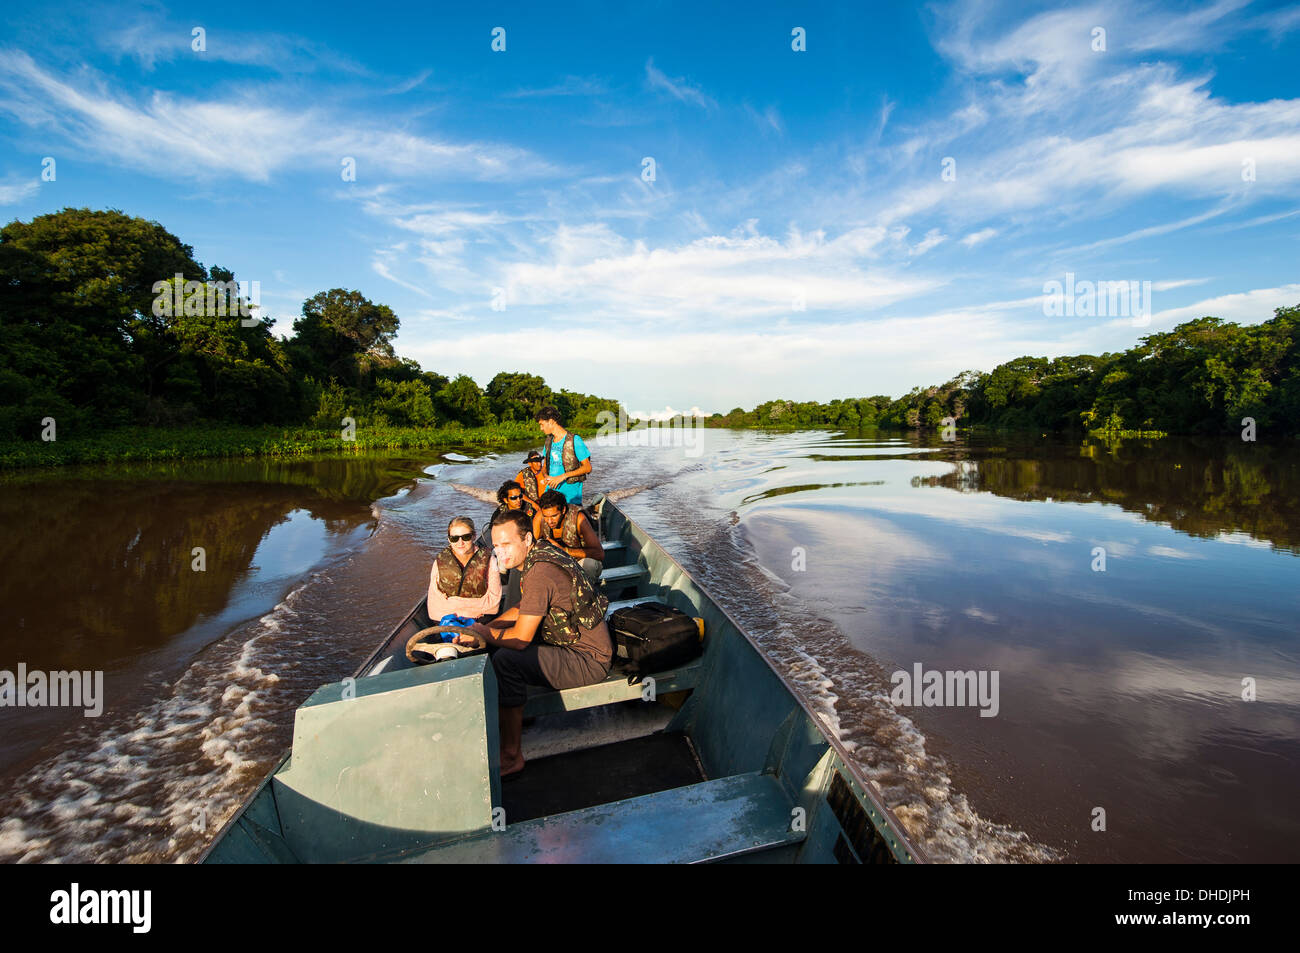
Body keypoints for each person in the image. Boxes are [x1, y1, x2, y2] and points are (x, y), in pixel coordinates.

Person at [454, 509, 612, 777]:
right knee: (495, 643)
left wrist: (482, 634)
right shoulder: (541, 552)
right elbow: (522, 607)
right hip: (572, 645)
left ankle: (511, 755)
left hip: (589, 659)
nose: (499, 552)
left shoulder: (539, 572)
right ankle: (505, 711)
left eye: (507, 544)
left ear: (527, 539)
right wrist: (489, 628)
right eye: (495, 545)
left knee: (506, 661)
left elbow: (520, 639)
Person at [427, 516, 502, 622]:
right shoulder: (439, 561)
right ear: (449, 539)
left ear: (474, 536)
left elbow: (493, 605)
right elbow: (434, 608)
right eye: (454, 538)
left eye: (466, 537)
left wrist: (453, 604)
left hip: (480, 620)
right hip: (447, 621)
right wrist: (473, 608)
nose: (460, 542)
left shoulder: (490, 560)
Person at [532, 489, 604, 584]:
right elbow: (530, 548)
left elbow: (599, 553)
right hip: (555, 563)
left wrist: (564, 550)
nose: (549, 521)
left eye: (554, 516)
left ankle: (586, 595)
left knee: (590, 564)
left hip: (579, 563)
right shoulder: (539, 517)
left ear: (563, 510)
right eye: (546, 516)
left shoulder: (579, 519)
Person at [536, 405, 591, 507]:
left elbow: (587, 467)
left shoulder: (575, 440)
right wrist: (545, 476)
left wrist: (562, 477)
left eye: (542, 424)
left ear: (551, 421)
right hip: (551, 496)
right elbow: (544, 467)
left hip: (570, 498)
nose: (541, 428)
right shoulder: (548, 441)